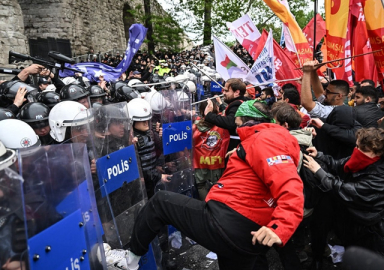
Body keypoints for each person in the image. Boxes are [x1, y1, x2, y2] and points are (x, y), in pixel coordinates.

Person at [124, 100, 304, 270]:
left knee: (160, 202)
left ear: (248, 121)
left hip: (231, 221)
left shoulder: (265, 140)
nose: (237, 127)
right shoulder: (266, 139)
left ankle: (129, 260)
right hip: (248, 230)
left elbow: (290, 185)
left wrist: (280, 226)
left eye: (238, 122)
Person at [303, 127, 384, 256]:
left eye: (363, 149)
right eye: (357, 146)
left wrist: (319, 172)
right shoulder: (362, 158)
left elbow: (346, 191)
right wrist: (319, 155)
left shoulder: (379, 176)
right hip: (351, 221)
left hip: (369, 229)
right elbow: (338, 164)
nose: (357, 151)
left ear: (378, 153)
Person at [193, 100, 230, 200]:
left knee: (201, 185)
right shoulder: (222, 123)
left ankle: (206, 206)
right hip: (217, 162)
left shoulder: (194, 126)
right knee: (218, 186)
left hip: (200, 163)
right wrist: (220, 103)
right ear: (216, 109)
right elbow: (227, 112)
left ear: (201, 111)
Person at [204, 78, 248, 154]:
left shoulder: (237, 105)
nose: (223, 93)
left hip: (235, 145)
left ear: (237, 92)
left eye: (226, 91)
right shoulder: (244, 102)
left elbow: (230, 122)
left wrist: (209, 115)